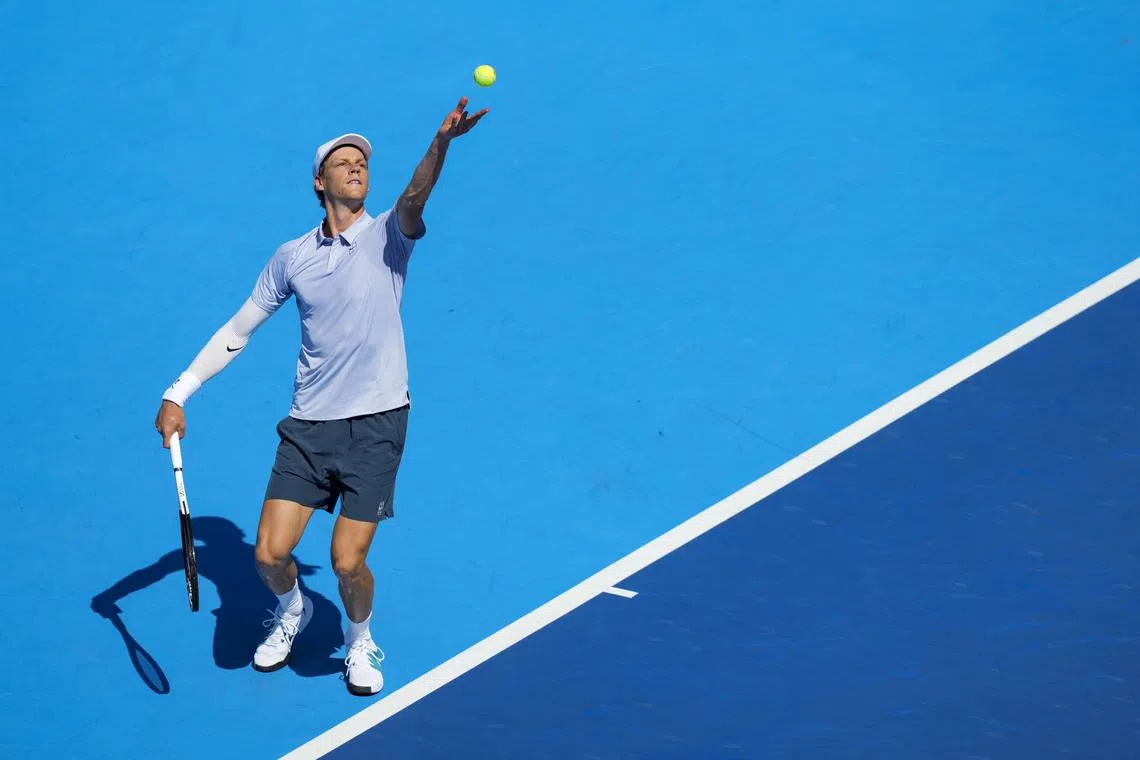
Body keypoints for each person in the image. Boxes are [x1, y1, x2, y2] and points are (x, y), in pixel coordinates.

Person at [153, 97, 488, 696]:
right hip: (309, 427)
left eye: (363, 160)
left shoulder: (391, 235)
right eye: (344, 160)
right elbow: (238, 331)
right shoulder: (292, 258)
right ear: (320, 180)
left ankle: (359, 641)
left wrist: (441, 145)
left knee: (346, 563)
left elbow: (414, 197)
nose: (358, 166)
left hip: (378, 424)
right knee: (267, 556)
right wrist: (179, 392)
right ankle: (293, 611)